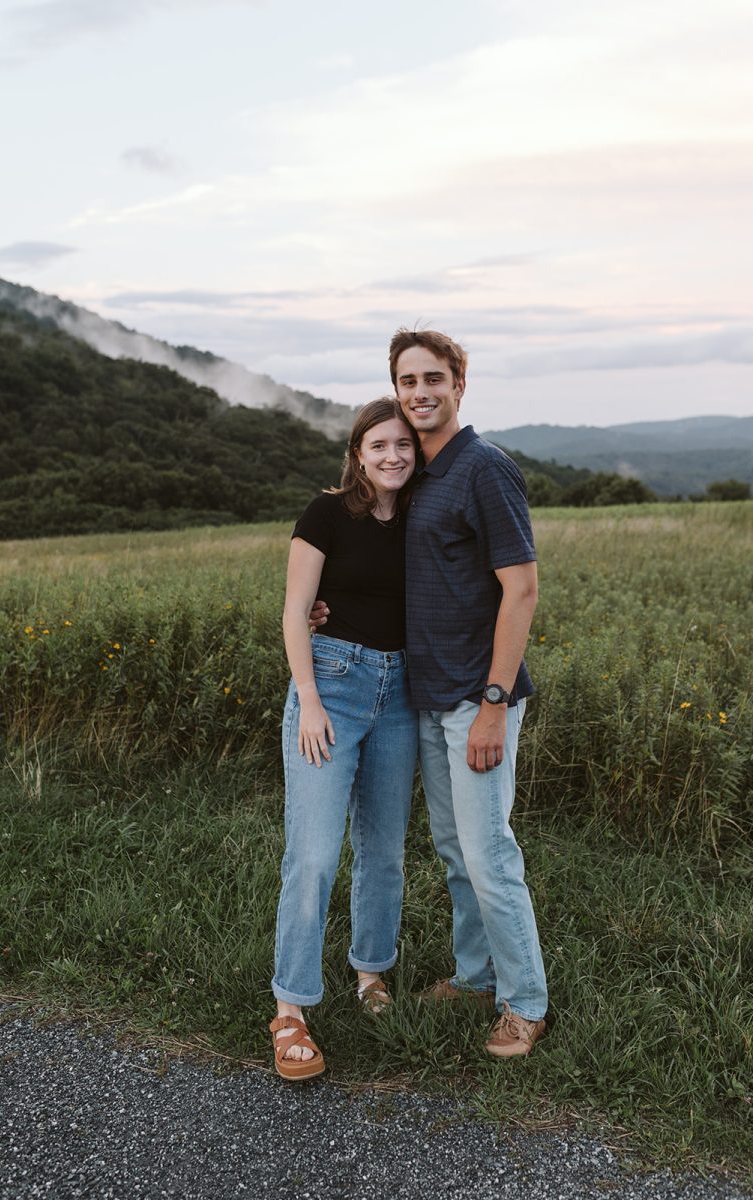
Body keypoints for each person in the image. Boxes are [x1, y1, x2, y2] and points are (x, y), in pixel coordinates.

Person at [313, 329, 548, 1058]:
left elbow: (523, 588)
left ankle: (524, 1003)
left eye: (433, 379)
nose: (420, 391)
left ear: (459, 385)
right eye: (407, 379)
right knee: (452, 847)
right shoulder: (418, 473)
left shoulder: (483, 469)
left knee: (487, 851)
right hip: (425, 693)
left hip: (478, 698)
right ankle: (475, 975)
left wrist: (494, 702)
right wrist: (327, 608)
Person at [270, 397, 420, 1080]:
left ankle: (370, 973)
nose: (392, 456)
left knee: (384, 852)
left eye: (404, 446)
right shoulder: (325, 512)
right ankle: (291, 1008)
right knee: (315, 854)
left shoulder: (421, 516)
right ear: (357, 452)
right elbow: (297, 612)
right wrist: (308, 701)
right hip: (331, 686)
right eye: (379, 445)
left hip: (401, 694)